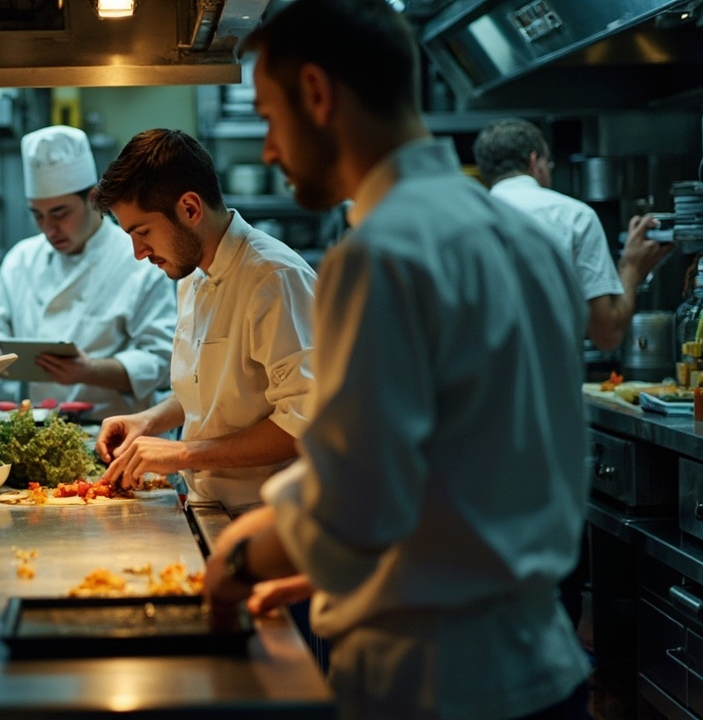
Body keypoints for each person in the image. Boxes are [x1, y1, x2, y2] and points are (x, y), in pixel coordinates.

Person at [203, 2, 592, 719]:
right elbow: (470, 478)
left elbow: (355, 503)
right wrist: (346, 575)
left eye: (267, 117)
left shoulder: (383, 255)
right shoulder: (527, 241)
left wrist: (235, 564)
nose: (267, 149)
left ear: (318, 94)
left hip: (435, 687)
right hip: (547, 669)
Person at [92, 128, 317, 516]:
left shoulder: (273, 278)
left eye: (142, 232)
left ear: (190, 209)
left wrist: (181, 452)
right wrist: (146, 422)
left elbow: (305, 423)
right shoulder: (193, 276)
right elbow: (211, 391)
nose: (138, 252)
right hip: (209, 507)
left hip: (270, 518)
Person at [0, 125, 176, 419]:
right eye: (38, 215)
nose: (49, 229)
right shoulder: (22, 259)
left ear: (93, 198)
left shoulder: (138, 259)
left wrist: (90, 372)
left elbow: (163, 361)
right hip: (34, 429)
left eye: (60, 213)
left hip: (112, 429)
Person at [474, 117, 671, 351]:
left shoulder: (465, 219)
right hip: (554, 382)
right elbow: (607, 334)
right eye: (550, 165)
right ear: (534, 161)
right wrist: (631, 269)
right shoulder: (575, 216)